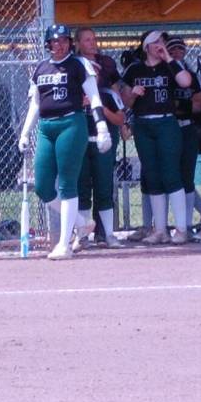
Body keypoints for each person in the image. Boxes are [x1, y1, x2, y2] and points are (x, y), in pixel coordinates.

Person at [18, 24, 111, 260]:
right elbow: (36, 103)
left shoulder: (79, 65)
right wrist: (25, 132)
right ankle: (81, 222)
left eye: (63, 41)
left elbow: (94, 97)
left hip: (71, 123)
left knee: (68, 183)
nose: (59, 45)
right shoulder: (41, 68)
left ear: (70, 43)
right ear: (48, 44)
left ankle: (64, 244)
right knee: (43, 186)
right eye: (54, 41)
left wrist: (101, 126)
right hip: (46, 127)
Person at [121, 30, 193, 244]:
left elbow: (185, 82)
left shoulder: (170, 65)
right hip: (143, 124)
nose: (160, 45)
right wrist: (133, 93)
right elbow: (125, 102)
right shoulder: (134, 69)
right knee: (152, 175)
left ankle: (181, 229)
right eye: (156, 42)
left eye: (162, 41)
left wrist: (168, 57)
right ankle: (160, 229)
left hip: (166, 122)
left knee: (171, 173)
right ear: (146, 47)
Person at [73, 27, 126, 249]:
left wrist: (107, 110)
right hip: (80, 132)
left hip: (103, 133)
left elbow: (117, 102)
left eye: (94, 39)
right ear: (77, 44)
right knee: (82, 185)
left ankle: (108, 234)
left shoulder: (107, 74)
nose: (92, 43)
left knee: (104, 184)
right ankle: (82, 234)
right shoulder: (73, 65)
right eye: (87, 40)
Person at [166, 36, 201, 240]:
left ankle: (187, 225)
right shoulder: (165, 74)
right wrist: (180, 106)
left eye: (180, 49)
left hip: (187, 128)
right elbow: (163, 104)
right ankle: (179, 224)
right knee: (171, 177)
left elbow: (199, 104)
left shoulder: (191, 75)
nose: (177, 53)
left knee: (187, 177)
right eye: (172, 49)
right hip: (168, 128)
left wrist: (180, 106)